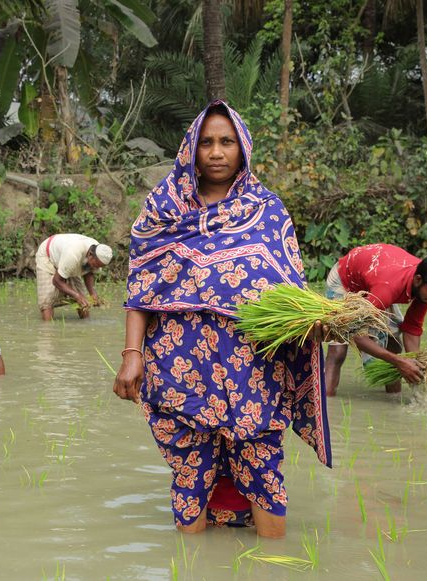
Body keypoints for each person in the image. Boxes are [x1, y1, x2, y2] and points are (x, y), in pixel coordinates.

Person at [113, 101, 331, 539]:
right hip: (180, 364)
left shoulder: (267, 209)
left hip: (252, 366)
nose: (216, 152)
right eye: (206, 142)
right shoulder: (163, 207)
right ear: (190, 149)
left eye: (226, 142)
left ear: (243, 148)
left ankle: (273, 563)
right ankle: (191, 560)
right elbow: (142, 288)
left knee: (262, 464)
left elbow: (290, 290)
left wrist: (317, 323)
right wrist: (132, 355)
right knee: (191, 470)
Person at [324, 245, 427, 396]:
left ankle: (393, 398)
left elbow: (411, 328)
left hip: (374, 283)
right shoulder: (388, 289)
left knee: (394, 344)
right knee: (338, 349)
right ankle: (326, 402)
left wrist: (413, 363)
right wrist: (399, 362)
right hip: (346, 281)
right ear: (418, 280)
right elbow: (358, 336)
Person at [35, 233, 113, 321]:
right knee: (47, 300)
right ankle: (47, 329)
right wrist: (77, 296)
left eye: (99, 267)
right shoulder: (73, 254)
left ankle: (86, 323)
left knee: (83, 298)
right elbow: (56, 281)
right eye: (95, 265)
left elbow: (89, 272)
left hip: (67, 258)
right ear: (90, 254)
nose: (96, 268)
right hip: (48, 256)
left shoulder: (98, 252)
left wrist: (93, 294)